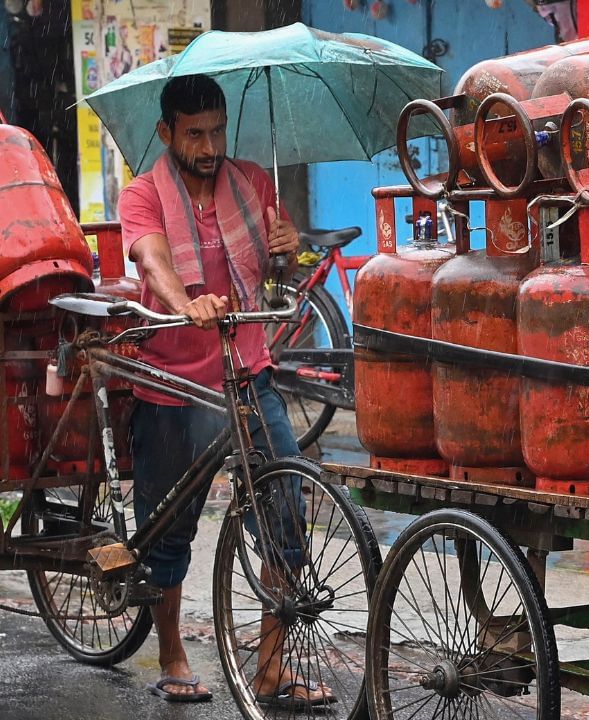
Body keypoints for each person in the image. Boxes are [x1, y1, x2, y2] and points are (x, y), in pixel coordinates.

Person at [118, 73, 329, 707]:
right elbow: (153, 260)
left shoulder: (252, 184)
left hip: (247, 372)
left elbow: (278, 272)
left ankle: (270, 667)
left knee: (286, 509)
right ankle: (172, 655)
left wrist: (290, 249)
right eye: (195, 134)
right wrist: (186, 302)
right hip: (172, 385)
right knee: (168, 530)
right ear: (167, 132)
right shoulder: (143, 195)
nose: (210, 147)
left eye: (217, 131)